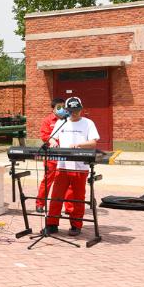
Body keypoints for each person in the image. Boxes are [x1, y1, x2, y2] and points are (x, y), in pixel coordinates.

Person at [45, 97, 99, 236]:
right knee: (56, 196)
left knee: (77, 198)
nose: (74, 114)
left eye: (77, 111)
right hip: (62, 166)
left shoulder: (88, 123)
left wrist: (80, 145)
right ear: (66, 110)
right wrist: (52, 142)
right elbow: (51, 137)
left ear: (81, 109)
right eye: (71, 111)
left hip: (80, 167)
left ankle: (76, 225)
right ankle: (52, 224)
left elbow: (93, 142)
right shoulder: (61, 122)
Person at [36, 98, 67, 213]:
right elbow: (44, 135)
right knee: (47, 180)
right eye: (59, 107)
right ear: (53, 109)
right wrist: (51, 140)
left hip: (66, 156)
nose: (62, 109)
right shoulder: (47, 121)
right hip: (52, 156)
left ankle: (69, 207)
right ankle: (40, 204)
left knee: (67, 182)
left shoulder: (68, 120)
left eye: (63, 107)